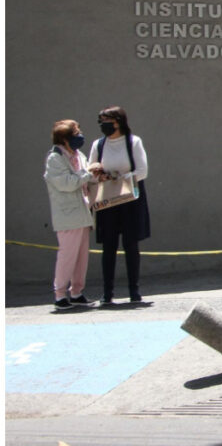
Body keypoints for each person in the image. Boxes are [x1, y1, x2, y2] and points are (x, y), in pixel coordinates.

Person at [88, 106, 150, 305]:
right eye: (102, 122)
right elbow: (91, 170)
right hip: (108, 200)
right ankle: (108, 292)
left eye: (108, 121)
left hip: (130, 199)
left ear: (119, 121)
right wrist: (99, 174)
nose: (104, 126)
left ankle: (134, 290)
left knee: (131, 245)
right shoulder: (98, 145)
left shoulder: (134, 142)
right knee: (109, 246)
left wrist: (123, 177)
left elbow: (142, 170)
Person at [43, 120, 97, 311]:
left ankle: (77, 292)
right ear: (65, 138)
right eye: (75, 132)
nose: (79, 135)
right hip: (67, 216)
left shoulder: (79, 155)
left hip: (83, 213)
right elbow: (66, 183)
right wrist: (88, 174)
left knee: (81, 256)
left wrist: (95, 174)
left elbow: (86, 174)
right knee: (67, 255)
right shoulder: (55, 158)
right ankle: (60, 295)